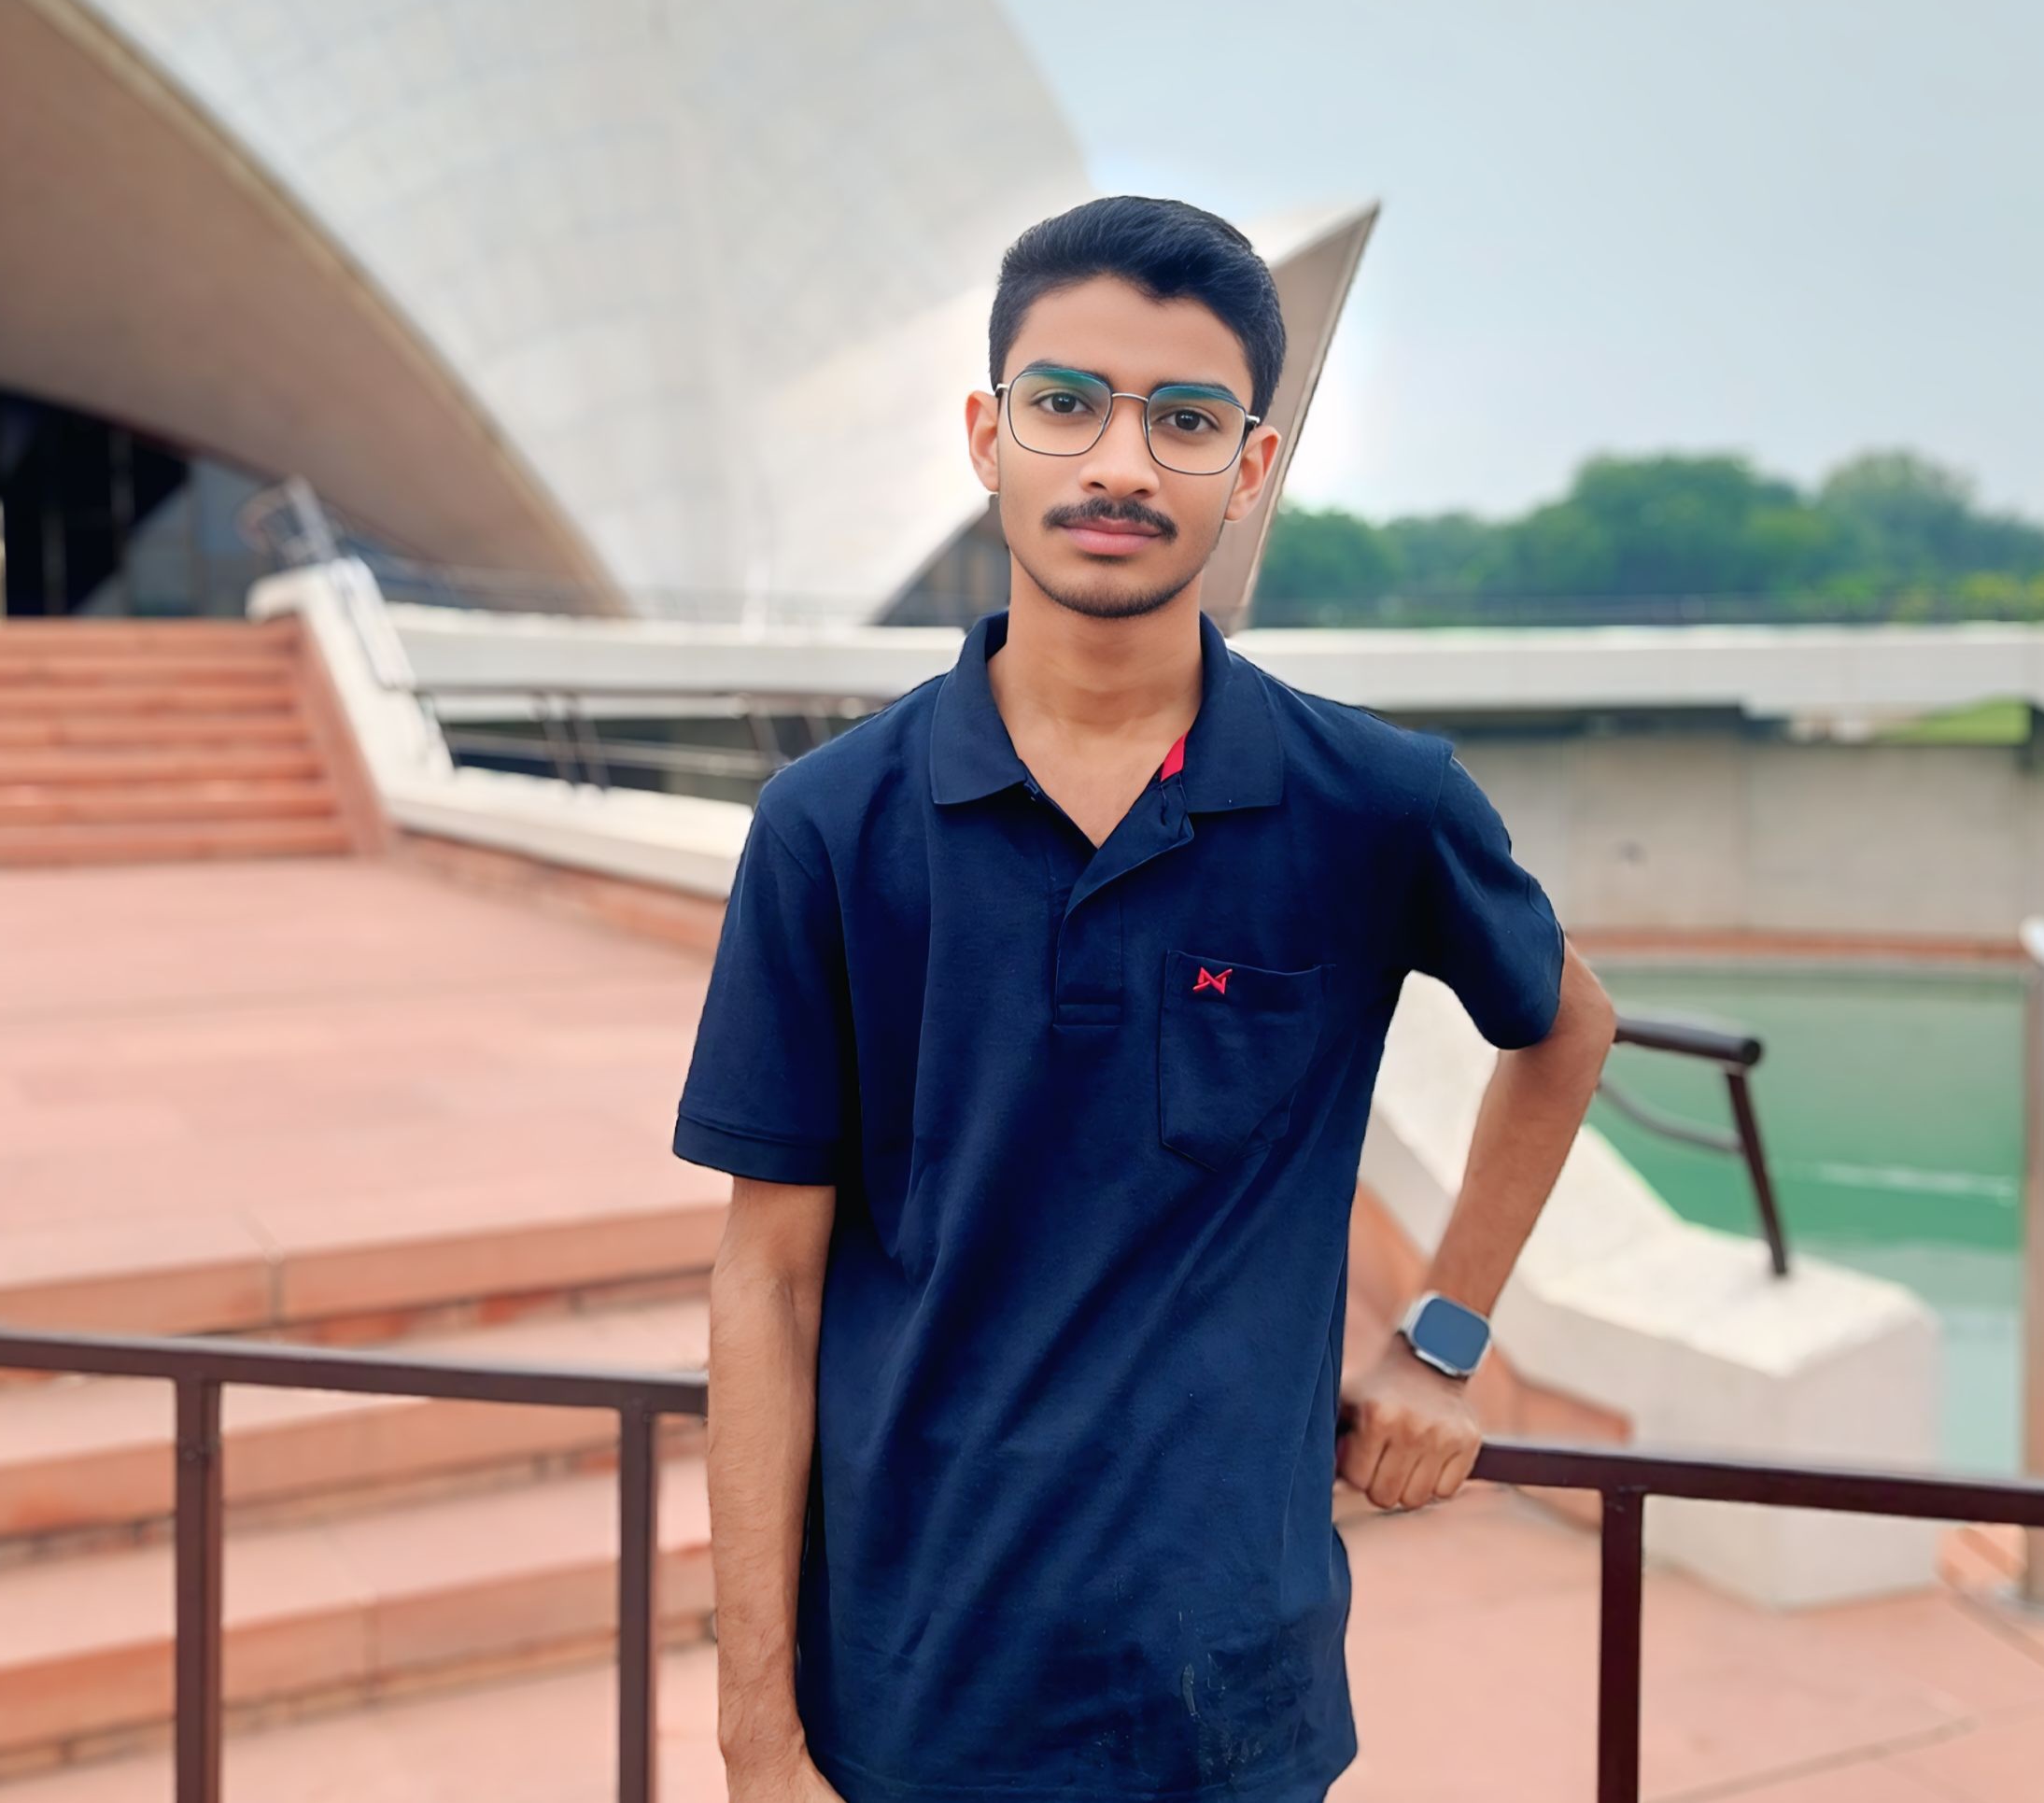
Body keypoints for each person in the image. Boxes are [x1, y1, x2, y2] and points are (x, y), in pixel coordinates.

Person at [672, 194, 1617, 1803]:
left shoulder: (1371, 802)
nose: (1118, 464)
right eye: (1066, 405)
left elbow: (1562, 1031)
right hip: (907, 1697)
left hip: (1231, 1697)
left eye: (1185, 422)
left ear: (1250, 470)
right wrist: (756, 1730)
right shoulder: (827, 828)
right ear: (988, 435)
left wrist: (1442, 1339)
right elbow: (767, 1282)